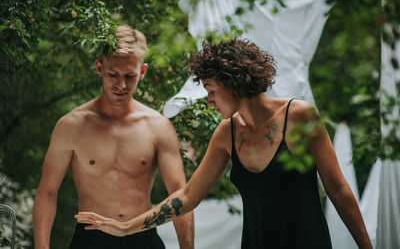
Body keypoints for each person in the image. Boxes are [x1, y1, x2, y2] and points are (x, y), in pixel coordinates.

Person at [75, 38, 372, 249]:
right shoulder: (226, 134)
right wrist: (127, 227)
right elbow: (188, 196)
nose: (209, 100)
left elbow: (338, 189)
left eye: (212, 90)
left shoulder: (299, 116)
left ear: (232, 82)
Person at [33, 25, 194, 249]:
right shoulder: (72, 125)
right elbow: (47, 192)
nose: (121, 85)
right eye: (113, 75)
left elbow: (179, 194)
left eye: (130, 76)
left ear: (143, 72)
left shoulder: (158, 126)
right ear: (99, 68)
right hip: (91, 239)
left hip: (143, 238)